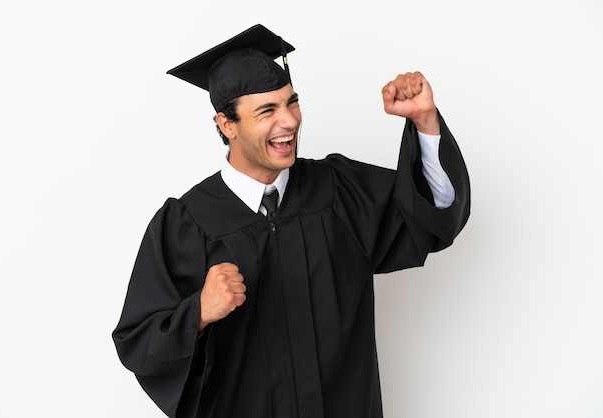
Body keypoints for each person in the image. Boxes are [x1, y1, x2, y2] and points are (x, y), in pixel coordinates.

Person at [113, 24, 470, 418]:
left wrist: (424, 122)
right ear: (226, 124)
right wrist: (197, 312)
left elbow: (430, 218)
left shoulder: (339, 192)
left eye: (291, 102)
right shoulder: (187, 224)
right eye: (267, 110)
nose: (289, 121)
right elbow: (139, 342)